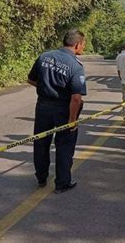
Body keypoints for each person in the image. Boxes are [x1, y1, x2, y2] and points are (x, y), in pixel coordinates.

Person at [27, 29, 87, 193]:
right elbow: (76, 98)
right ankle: (62, 183)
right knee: (64, 145)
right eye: (83, 45)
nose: (83, 48)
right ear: (77, 44)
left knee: (41, 142)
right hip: (63, 108)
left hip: (43, 107)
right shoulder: (75, 66)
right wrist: (72, 120)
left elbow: (31, 79)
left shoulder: (44, 56)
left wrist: (46, 89)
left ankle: (41, 177)